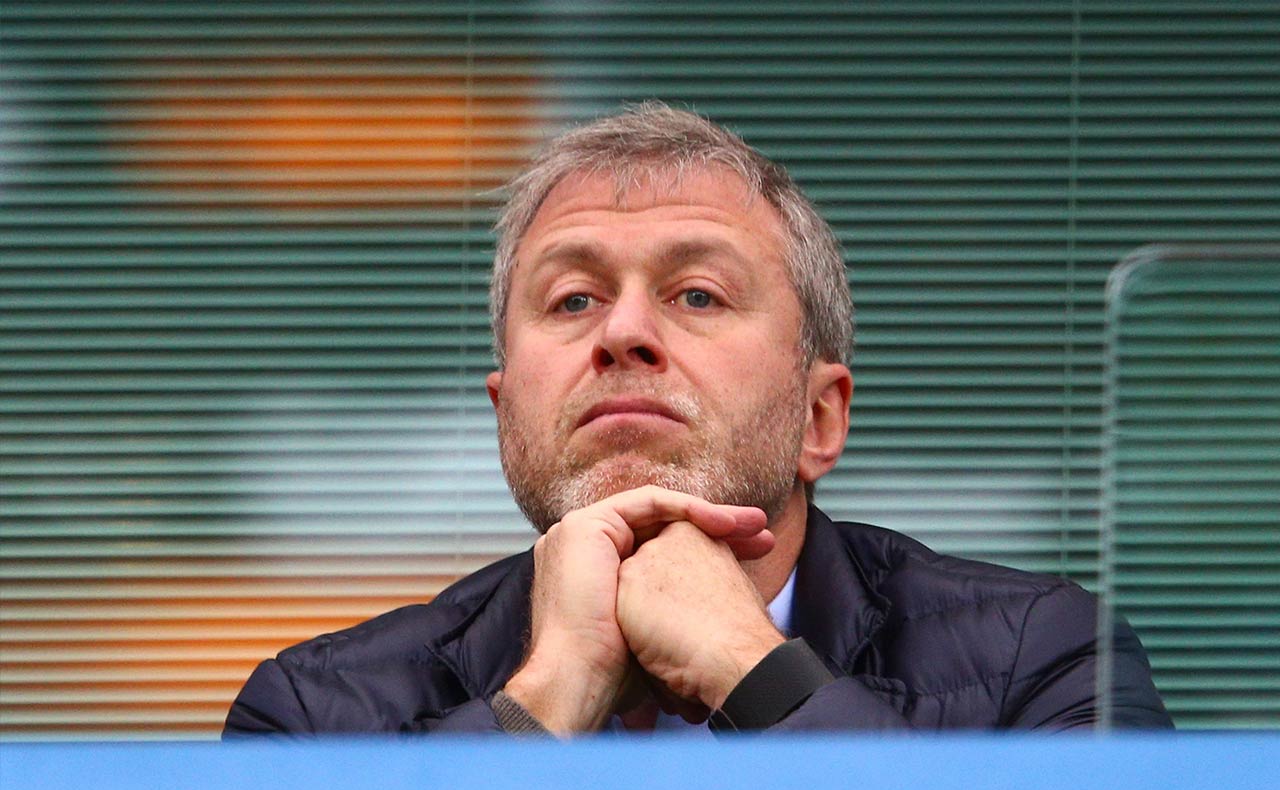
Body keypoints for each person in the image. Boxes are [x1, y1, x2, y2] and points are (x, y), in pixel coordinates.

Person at [224, 102, 1171, 737]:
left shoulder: (1046, 660)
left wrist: (753, 671)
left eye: (699, 295)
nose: (623, 333)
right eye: (572, 300)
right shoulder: (313, 714)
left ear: (819, 417)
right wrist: (545, 700)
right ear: (507, 416)